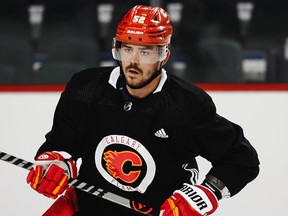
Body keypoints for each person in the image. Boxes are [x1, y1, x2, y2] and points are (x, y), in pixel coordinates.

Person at [26, 5, 260, 216]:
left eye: (145, 52)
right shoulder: (85, 88)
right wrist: (56, 161)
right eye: (128, 49)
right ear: (117, 49)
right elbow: (61, 142)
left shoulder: (184, 105)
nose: (134, 62)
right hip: (88, 205)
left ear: (164, 55)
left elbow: (242, 159)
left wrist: (209, 191)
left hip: (159, 212)